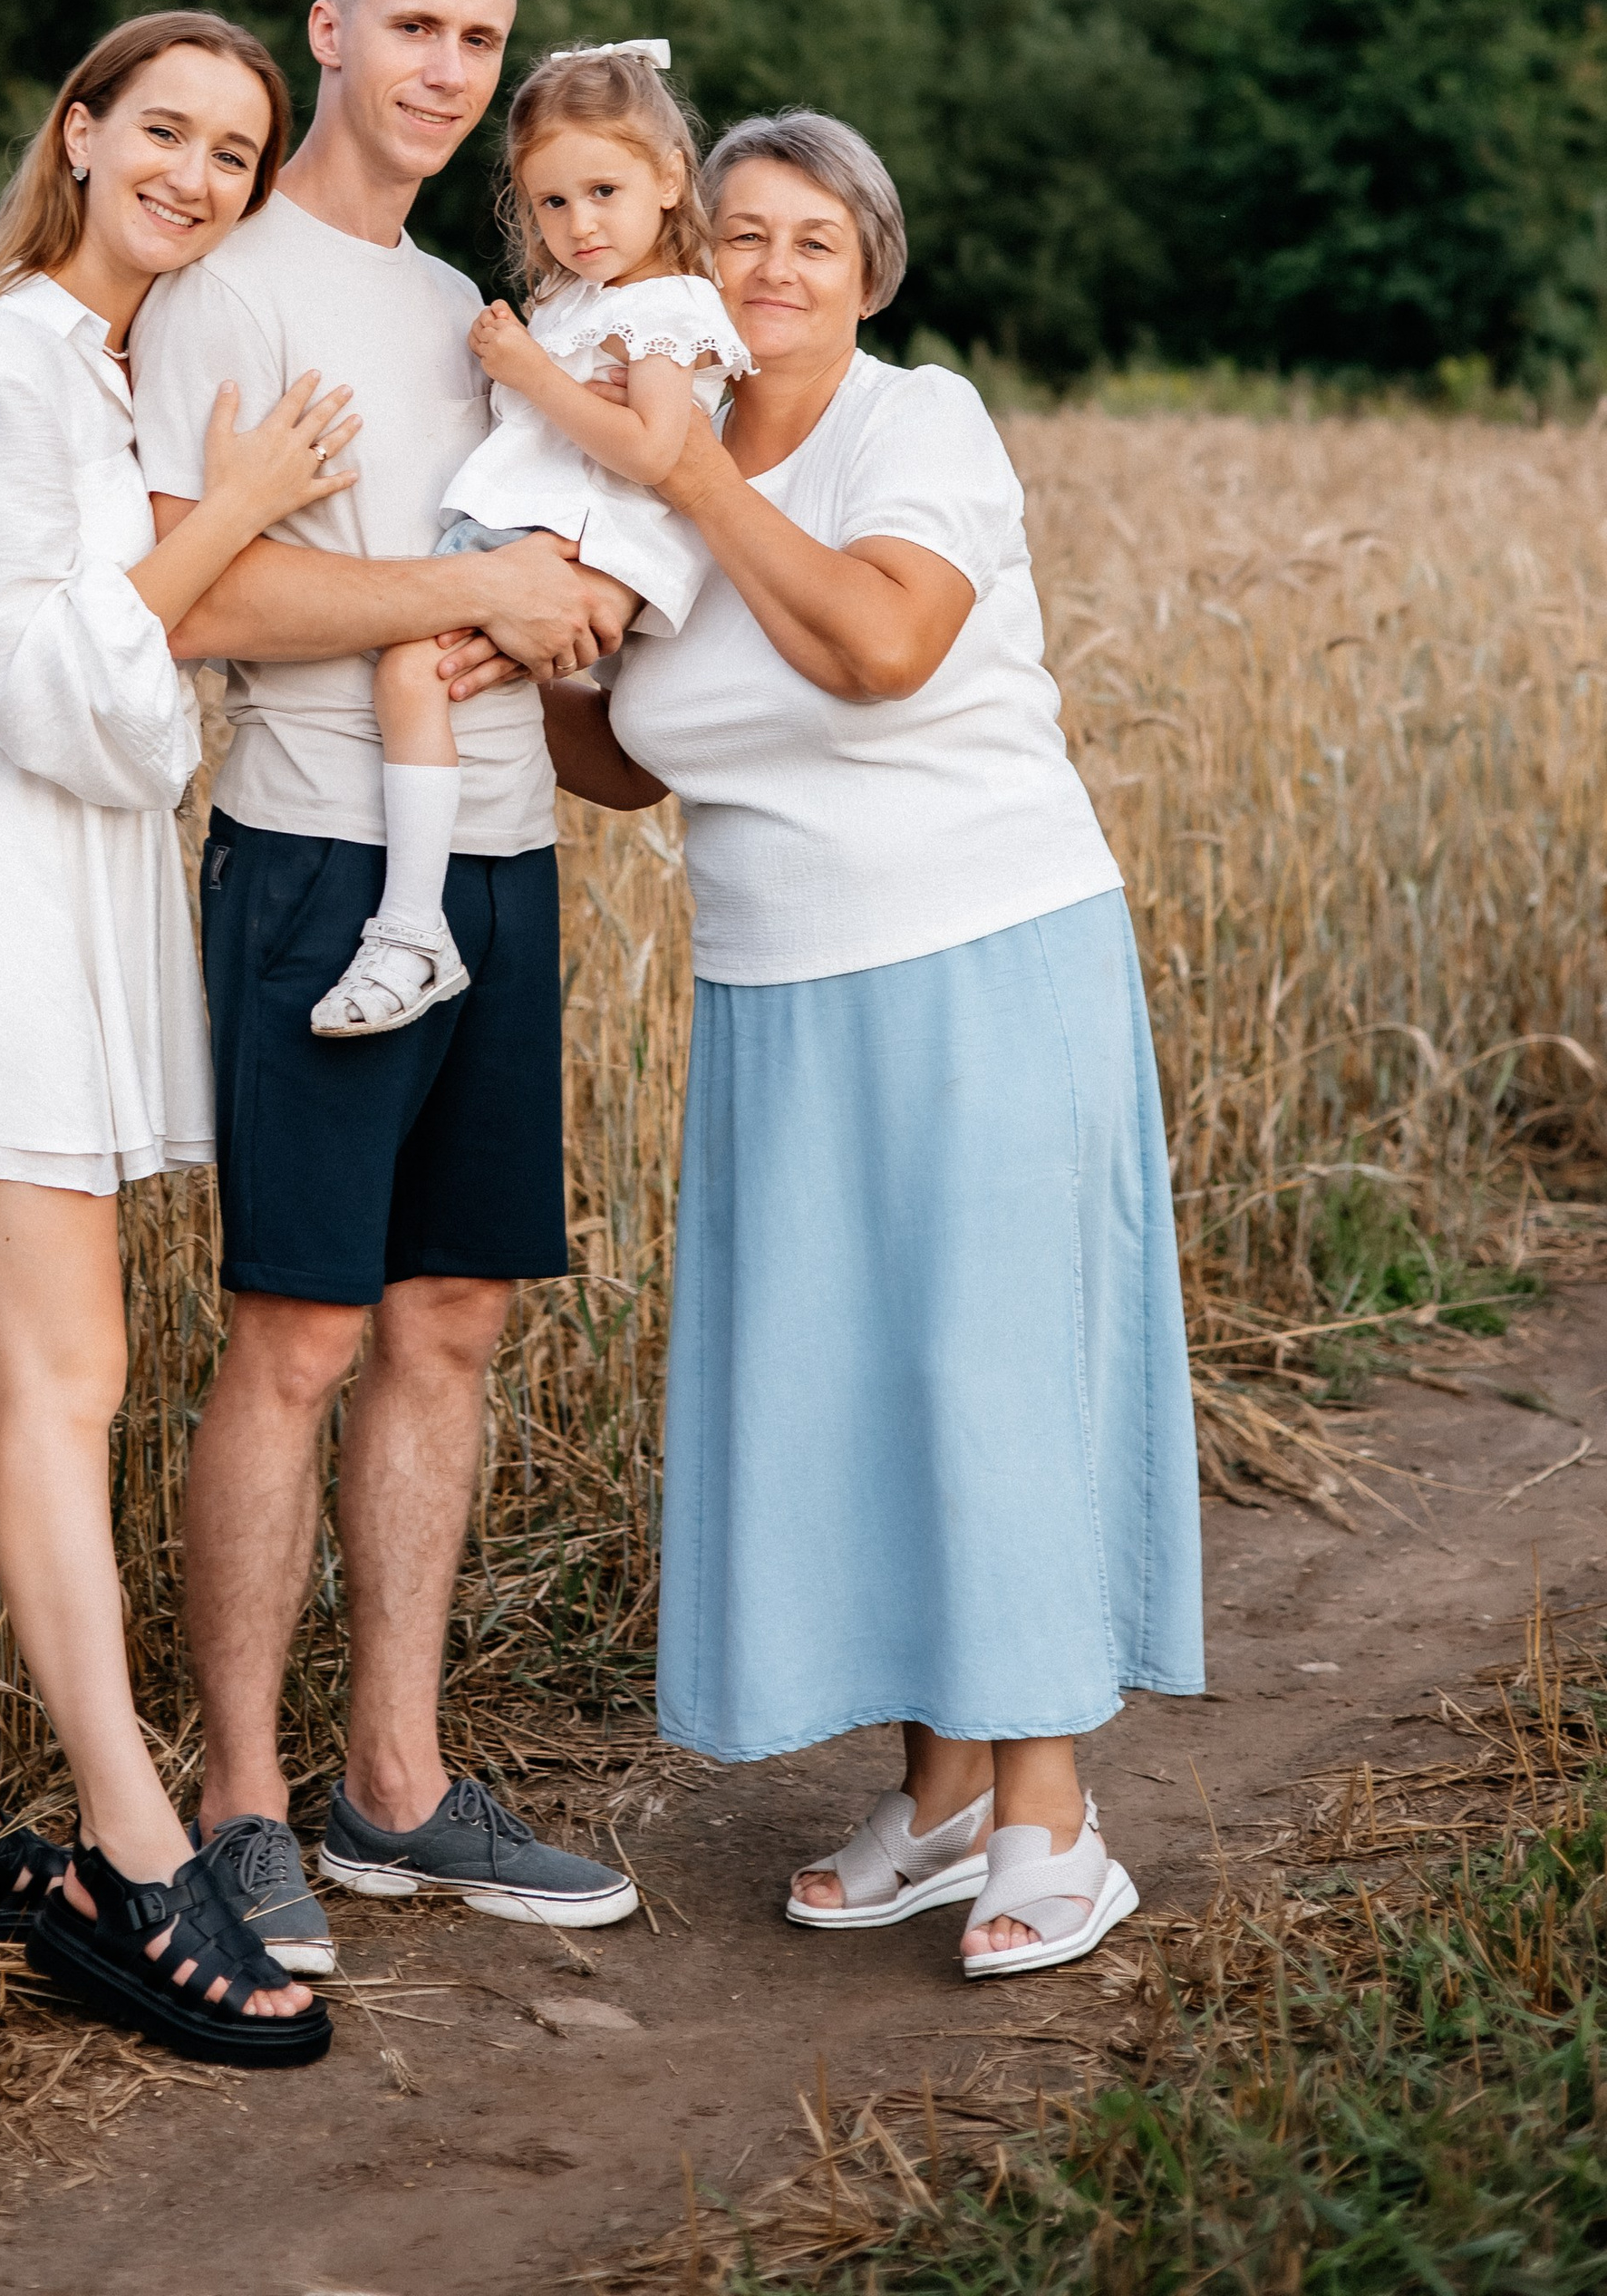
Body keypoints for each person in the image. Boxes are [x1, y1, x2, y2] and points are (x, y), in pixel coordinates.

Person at [546, 107, 1204, 1981]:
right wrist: (508, 646)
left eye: (808, 243)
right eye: (735, 234)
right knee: (855, 1385)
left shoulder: (917, 423)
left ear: (868, 272)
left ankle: (1052, 1825)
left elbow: (874, 647)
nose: (765, 268)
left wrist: (685, 484)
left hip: (982, 953)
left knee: (986, 1370)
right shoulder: (648, 446)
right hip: (776, 984)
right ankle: (932, 1801)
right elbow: (623, 759)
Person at [0, 9, 353, 2071]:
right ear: (80, 129)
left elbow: (106, 657)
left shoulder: (85, 362)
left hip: (33, 878)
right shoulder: (17, 351)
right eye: (167, 130)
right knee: (66, 1370)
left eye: (233, 149)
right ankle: (133, 1851)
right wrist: (240, 510)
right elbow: (59, 676)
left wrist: (199, 526)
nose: (198, 174)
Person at [131, 0, 646, 1978]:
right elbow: (187, 603)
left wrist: (570, 615)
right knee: (297, 1333)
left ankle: (397, 1788)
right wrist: (471, 612)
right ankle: (241, 1804)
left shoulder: (471, 302)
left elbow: (563, 565)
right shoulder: (227, 293)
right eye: (409, 24)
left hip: (501, 858)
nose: (445, 66)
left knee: (449, 1319)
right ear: (325, 31)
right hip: (322, 858)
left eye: (478, 35)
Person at [309, 34, 751, 1040]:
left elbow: (651, 451)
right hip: (541, 537)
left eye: (603, 192)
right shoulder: (583, 300)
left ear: (673, 179)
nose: (578, 223)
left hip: (578, 544)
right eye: (551, 202)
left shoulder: (668, 307)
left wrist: (531, 374)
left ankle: (411, 928)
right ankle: (416, 921)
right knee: (421, 674)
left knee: (407, 673)